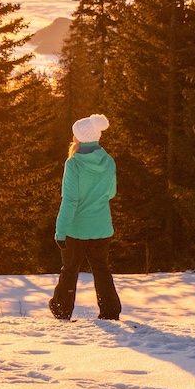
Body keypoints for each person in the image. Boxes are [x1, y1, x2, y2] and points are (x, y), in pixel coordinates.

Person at [49, 113, 122, 321]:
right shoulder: (108, 161)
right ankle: (110, 311)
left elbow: (70, 200)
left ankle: (61, 309)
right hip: (101, 227)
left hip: (76, 229)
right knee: (101, 269)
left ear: (80, 138)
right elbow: (111, 193)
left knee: (70, 269)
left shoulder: (73, 164)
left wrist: (60, 230)